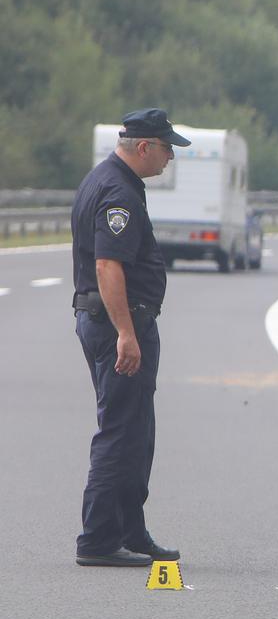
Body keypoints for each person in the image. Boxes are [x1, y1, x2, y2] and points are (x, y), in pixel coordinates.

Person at [70, 109, 189, 568]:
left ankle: (130, 530)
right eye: (166, 149)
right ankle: (98, 539)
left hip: (114, 322)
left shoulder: (107, 179)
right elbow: (107, 265)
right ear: (144, 147)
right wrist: (126, 333)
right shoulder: (118, 190)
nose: (169, 158)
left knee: (136, 429)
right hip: (117, 325)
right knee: (120, 431)